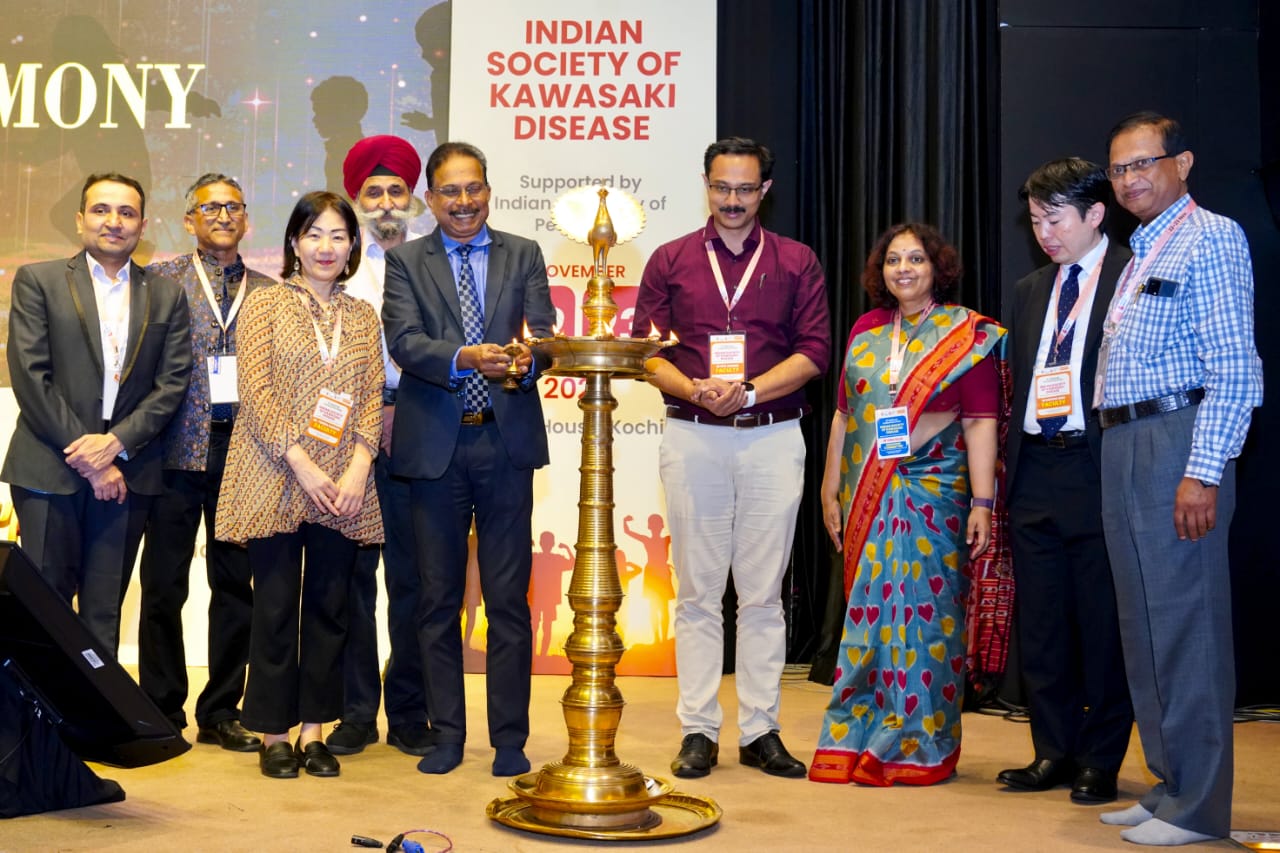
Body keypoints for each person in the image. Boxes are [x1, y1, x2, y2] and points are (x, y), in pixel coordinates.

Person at [628, 137, 831, 780]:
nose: (733, 200)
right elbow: (646, 352)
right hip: (694, 433)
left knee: (764, 593)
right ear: (705, 184)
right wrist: (695, 390)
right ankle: (698, 730)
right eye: (722, 187)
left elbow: (814, 352)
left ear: (765, 189)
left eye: (745, 189)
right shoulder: (670, 259)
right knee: (697, 593)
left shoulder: (797, 260)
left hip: (772, 433)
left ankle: (761, 730)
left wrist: (748, 390)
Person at [1093, 112, 1263, 846]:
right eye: (1119, 168)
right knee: (1144, 624)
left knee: (1188, 626)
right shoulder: (1140, 251)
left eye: (1143, 163)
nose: (1130, 178)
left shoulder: (1212, 238)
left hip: (1177, 443)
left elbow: (1235, 369)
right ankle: (1168, 784)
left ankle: (1199, 807)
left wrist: (1203, 471)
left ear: (1182, 163)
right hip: (1123, 441)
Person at [383, 141, 555, 776]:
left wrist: (526, 359)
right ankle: (448, 736)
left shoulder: (523, 253)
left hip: (505, 443)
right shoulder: (406, 261)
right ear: (430, 199)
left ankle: (509, 739)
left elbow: (546, 338)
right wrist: (464, 358)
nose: (463, 202)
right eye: (450, 191)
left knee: (509, 601)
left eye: (473, 188)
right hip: (436, 447)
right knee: (438, 600)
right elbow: (404, 342)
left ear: (488, 190)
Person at [809, 223, 1003, 787]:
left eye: (916, 258)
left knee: (925, 617)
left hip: (934, 490)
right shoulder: (867, 330)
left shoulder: (964, 333)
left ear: (937, 268)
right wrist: (829, 485)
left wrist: (983, 501)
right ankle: (857, 735)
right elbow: (845, 414)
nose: (904, 269)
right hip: (867, 491)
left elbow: (981, 422)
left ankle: (920, 742)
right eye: (894, 260)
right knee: (869, 616)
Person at [215, 191, 384, 779]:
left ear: (352, 245)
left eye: (338, 235)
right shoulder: (265, 304)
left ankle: (314, 730)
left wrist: (358, 468)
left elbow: (371, 397)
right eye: (314, 234)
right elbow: (256, 392)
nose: (326, 247)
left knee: (330, 609)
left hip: (343, 484)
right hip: (274, 472)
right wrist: (303, 464)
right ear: (294, 242)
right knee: (276, 607)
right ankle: (273, 733)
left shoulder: (362, 316)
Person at [3, 172, 192, 652]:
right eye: (101, 210)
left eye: (127, 213)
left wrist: (115, 445)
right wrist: (91, 458)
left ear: (142, 226)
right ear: (80, 219)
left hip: (127, 473)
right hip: (49, 468)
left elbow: (171, 385)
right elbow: (31, 376)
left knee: (103, 615)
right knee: (42, 607)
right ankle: (36, 705)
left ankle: (95, 706)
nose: (114, 221)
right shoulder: (39, 281)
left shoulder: (166, 294)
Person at [995, 159, 1133, 803]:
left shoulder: (1132, 275)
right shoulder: (1030, 290)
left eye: (1055, 220)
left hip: (1096, 465)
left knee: (1102, 622)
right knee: (1044, 623)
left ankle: (1099, 759)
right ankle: (1052, 751)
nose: (1044, 234)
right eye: (1034, 221)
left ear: (1095, 214)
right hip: (1035, 468)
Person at [137, 174, 273, 752]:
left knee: (235, 587)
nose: (222, 215)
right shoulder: (159, 281)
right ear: (189, 219)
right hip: (171, 452)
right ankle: (161, 706)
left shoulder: (269, 292)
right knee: (162, 586)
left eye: (233, 207)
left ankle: (221, 710)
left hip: (243, 456)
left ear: (246, 220)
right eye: (210, 207)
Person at [325, 135, 433, 758]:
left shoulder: (431, 260)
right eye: (374, 192)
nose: (386, 202)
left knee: (415, 579)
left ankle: (410, 710)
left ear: (412, 197)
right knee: (351, 579)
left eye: (397, 190)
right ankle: (356, 711)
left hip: (422, 429)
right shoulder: (335, 265)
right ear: (356, 199)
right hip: (347, 442)